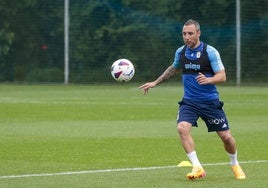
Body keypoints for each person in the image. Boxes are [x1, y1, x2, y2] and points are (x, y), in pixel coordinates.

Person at [139, 19, 246, 180]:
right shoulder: (181, 52)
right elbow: (173, 69)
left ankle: (235, 163)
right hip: (189, 102)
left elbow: (222, 76)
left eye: (190, 33)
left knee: (227, 138)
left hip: (210, 102)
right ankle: (197, 167)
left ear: (198, 33)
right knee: (182, 128)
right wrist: (155, 82)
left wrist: (209, 80)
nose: (187, 37)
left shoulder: (210, 52)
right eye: (184, 34)